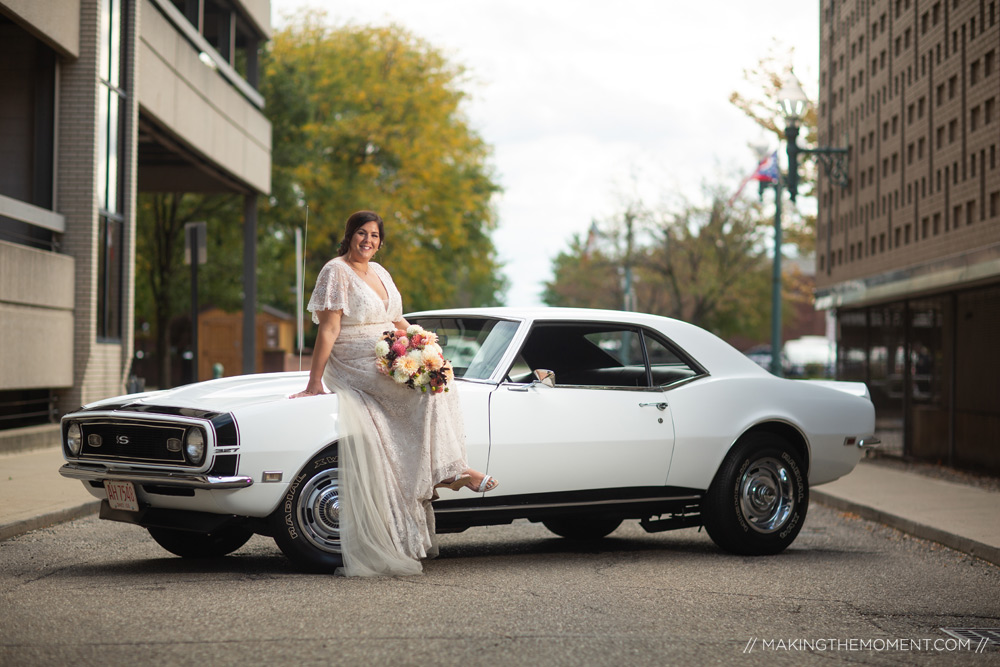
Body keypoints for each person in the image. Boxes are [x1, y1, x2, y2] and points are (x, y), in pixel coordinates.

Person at [291, 210, 497, 576]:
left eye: (374, 235)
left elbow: (397, 319)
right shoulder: (335, 271)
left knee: (440, 383)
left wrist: (424, 348)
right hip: (355, 356)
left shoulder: (381, 272)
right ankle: (450, 474)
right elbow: (328, 330)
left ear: (380, 241)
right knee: (420, 396)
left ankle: (448, 471)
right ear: (349, 235)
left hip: (391, 348)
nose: (367, 240)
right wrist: (314, 382)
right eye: (361, 233)